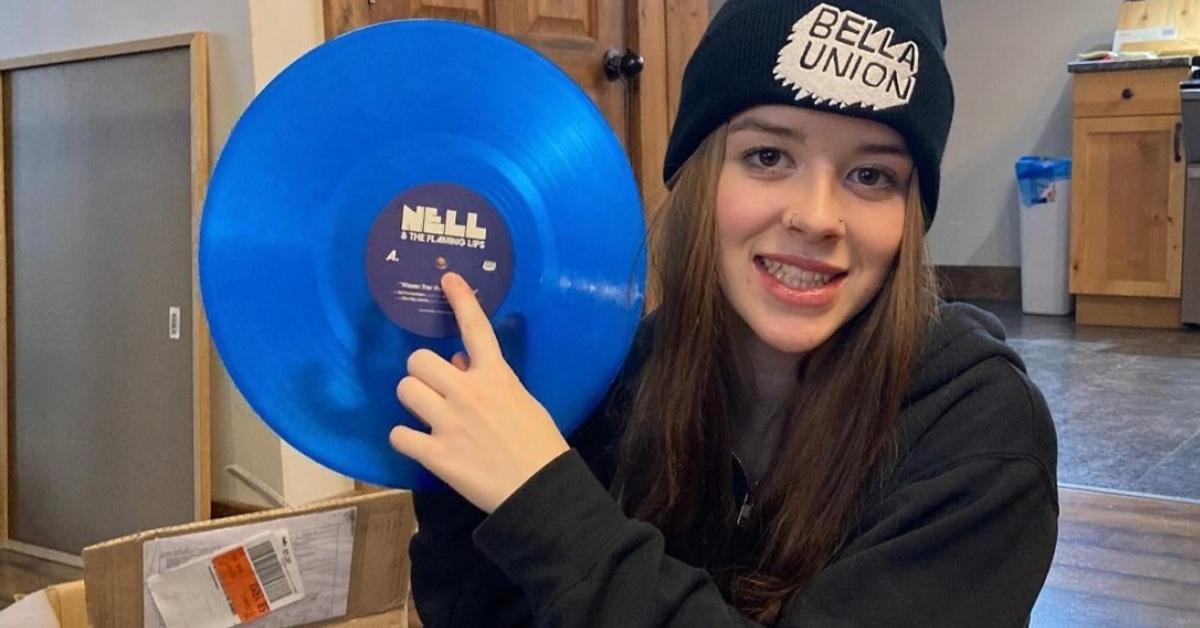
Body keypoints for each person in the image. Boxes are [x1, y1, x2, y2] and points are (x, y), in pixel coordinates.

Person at [387, 0, 1059, 625]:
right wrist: (463, 490)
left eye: (872, 175)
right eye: (768, 156)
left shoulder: (982, 432)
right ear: (701, 176)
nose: (818, 218)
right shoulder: (621, 378)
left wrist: (543, 501)